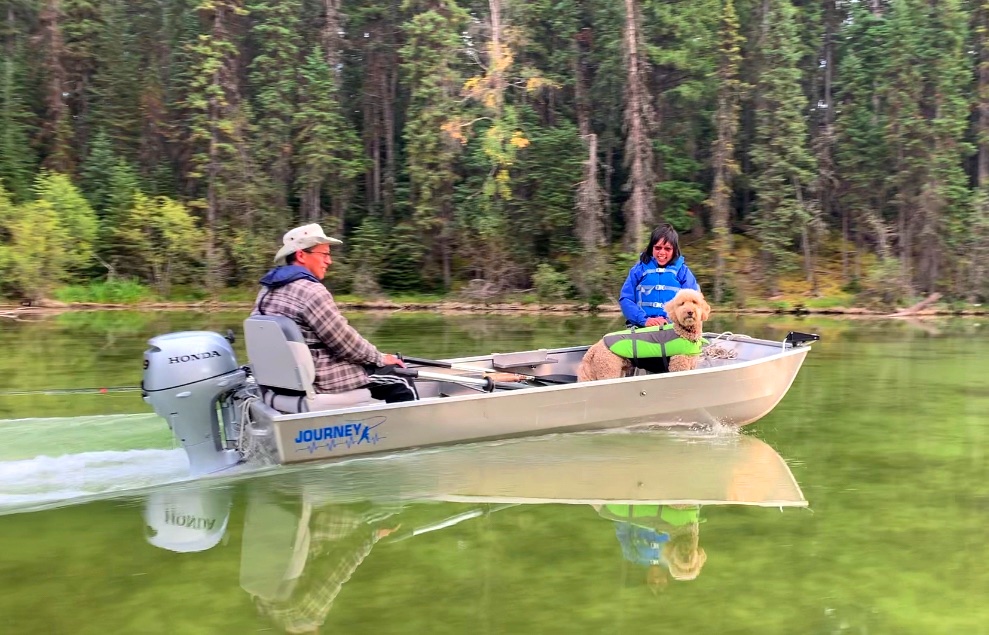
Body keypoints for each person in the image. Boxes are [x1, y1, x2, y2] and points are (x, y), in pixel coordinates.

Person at [252, 223, 417, 403]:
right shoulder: (310, 291)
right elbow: (346, 343)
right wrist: (380, 358)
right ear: (301, 255)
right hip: (320, 379)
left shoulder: (266, 291)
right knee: (400, 378)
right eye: (324, 254)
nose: (329, 261)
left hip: (280, 381)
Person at [619, 224, 700, 328]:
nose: (662, 252)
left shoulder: (683, 272)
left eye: (667, 249)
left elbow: (694, 302)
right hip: (641, 327)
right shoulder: (638, 270)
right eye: (658, 248)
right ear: (651, 248)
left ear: (674, 250)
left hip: (673, 327)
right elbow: (626, 299)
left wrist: (668, 320)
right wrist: (644, 320)